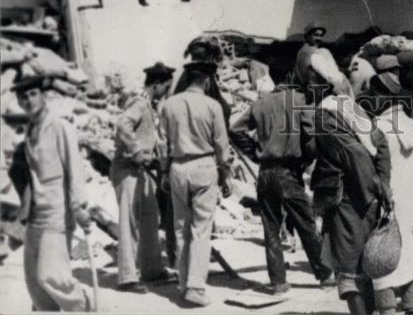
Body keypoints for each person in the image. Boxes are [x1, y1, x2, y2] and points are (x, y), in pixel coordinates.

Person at [230, 63, 332, 295]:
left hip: (265, 172)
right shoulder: (299, 100)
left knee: (271, 228)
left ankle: (277, 283)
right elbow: (310, 137)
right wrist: (307, 159)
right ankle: (325, 276)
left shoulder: (260, 103)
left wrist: (254, 152)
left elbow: (235, 130)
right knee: (306, 224)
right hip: (288, 171)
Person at [306, 52, 392, 315]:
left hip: (349, 199)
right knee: (363, 269)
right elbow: (381, 146)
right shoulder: (352, 108)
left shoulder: (325, 113)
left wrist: (372, 191)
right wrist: (383, 187)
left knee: (348, 271)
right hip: (366, 196)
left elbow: (353, 154)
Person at [9, 74, 92, 312]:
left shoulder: (60, 127)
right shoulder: (30, 131)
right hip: (35, 215)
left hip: (57, 213)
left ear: (43, 95)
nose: (28, 100)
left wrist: (80, 209)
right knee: (34, 281)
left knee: (52, 276)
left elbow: (74, 170)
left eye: (33, 94)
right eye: (23, 97)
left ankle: (83, 307)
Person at [160, 60, 233, 307]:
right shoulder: (213, 105)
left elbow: (162, 144)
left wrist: (163, 172)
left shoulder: (169, 104)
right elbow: (222, 144)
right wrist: (226, 172)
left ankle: (183, 283)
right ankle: (195, 286)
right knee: (201, 230)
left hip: (177, 167)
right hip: (204, 166)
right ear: (207, 80)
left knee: (181, 227)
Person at [110, 61, 175, 293]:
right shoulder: (139, 102)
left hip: (142, 170)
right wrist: (136, 150)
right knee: (130, 221)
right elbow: (122, 124)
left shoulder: (149, 105)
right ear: (156, 85)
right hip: (127, 169)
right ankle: (127, 277)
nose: (167, 92)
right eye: (166, 87)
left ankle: (152, 269)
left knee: (149, 218)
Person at [364, 70, 413, 315]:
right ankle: (412, 307)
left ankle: (388, 309)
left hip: (388, 201)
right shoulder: (410, 124)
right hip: (412, 199)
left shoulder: (379, 127)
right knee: (409, 254)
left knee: (382, 256)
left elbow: (374, 169)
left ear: (383, 96)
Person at [294, 21, 328, 88]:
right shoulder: (310, 51)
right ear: (307, 36)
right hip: (312, 92)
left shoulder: (303, 50)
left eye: (321, 36)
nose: (319, 38)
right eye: (316, 35)